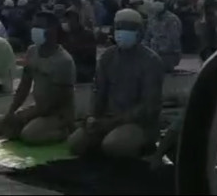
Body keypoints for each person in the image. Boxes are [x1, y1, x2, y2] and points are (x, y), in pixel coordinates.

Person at [68, 9, 164, 158]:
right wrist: (91, 116)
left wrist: (112, 122)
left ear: (139, 32)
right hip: (107, 119)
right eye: (119, 27)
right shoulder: (108, 56)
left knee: (113, 146)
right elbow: (98, 91)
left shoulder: (151, 61)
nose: (121, 32)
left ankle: (143, 145)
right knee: (76, 142)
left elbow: (148, 107)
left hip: (139, 124)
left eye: (128, 28)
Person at [2, 11, 76, 145]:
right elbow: (24, 86)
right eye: (34, 25)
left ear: (52, 31)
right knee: (9, 129)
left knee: (29, 135)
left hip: (57, 114)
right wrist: (11, 111)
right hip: (40, 108)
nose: (34, 30)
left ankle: (65, 131)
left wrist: (25, 115)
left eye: (39, 26)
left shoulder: (63, 61)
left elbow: (54, 102)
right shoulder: (32, 51)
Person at [143, 0, 183, 72]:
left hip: (167, 55)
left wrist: (176, 54)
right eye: (156, 0)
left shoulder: (172, 19)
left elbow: (174, 39)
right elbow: (147, 36)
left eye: (161, 0)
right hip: (152, 54)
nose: (157, 2)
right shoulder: (152, 18)